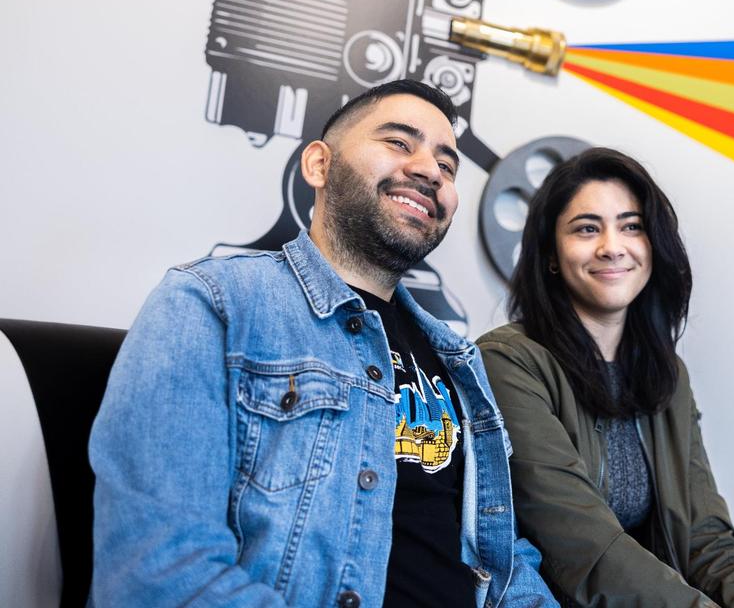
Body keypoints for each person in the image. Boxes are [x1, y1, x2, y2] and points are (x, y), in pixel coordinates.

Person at [89, 79, 556, 608]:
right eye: (399, 142)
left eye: (448, 166)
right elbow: (159, 572)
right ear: (318, 165)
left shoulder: (459, 359)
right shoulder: (214, 303)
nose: (430, 171)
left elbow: (502, 558)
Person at [477, 148, 734, 607]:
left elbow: (706, 537)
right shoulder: (508, 362)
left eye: (631, 226)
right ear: (551, 255)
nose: (612, 246)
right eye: (587, 228)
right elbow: (583, 547)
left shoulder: (667, 374)